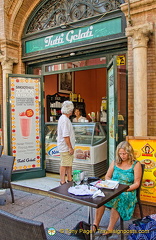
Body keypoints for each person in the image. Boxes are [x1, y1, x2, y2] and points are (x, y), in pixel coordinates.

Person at [93, 141, 142, 237]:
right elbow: (107, 176)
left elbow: (136, 183)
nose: (122, 156)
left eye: (124, 153)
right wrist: (111, 184)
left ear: (129, 152)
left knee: (118, 198)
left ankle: (110, 229)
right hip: (113, 188)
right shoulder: (115, 162)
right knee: (100, 195)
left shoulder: (136, 164)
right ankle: (95, 225)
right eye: (120, 153)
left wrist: (124, 189)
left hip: (127, 191)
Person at [57, 101, 75, 185]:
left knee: (68, 163)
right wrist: (70, 147)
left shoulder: (64, 118)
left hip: (65, 146)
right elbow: (65, 135)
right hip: (65, 147)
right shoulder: (64, 120)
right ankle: (62, 181)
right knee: (64, 164)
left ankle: (69, 179)